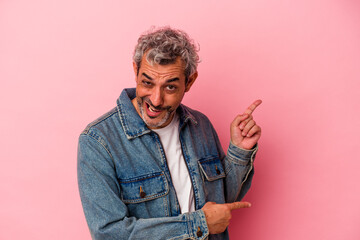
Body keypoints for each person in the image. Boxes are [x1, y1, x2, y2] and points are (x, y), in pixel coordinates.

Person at [77, 26, 262, 240]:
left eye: (170, 88)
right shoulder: (98, 141)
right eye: (147, 83)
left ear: (189, 82)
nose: (156, 99)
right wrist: (197, 224)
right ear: (135, 71)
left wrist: (239, 152)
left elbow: (218, 206)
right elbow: (108, 233)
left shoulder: (199, 125)